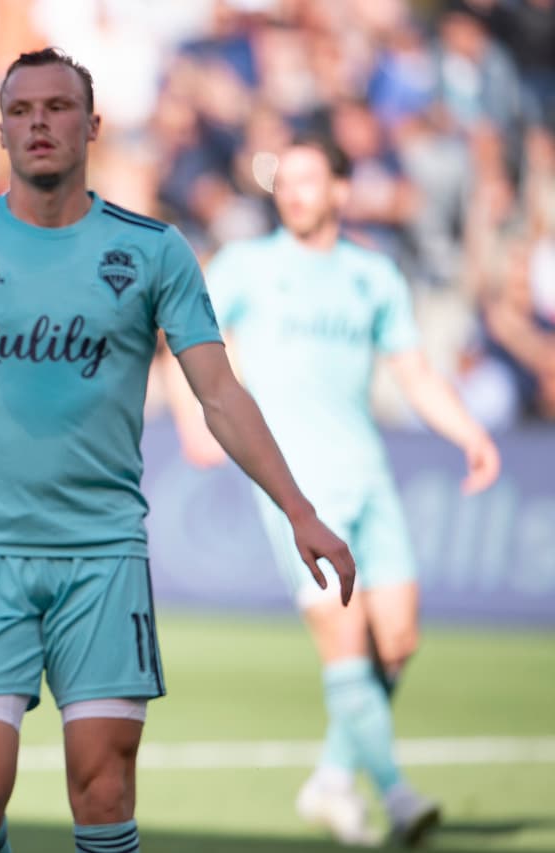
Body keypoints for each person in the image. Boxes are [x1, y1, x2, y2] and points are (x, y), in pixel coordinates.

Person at [0, 48, 355, 853]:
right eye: (22, 111)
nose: (40, 124)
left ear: (91, 125)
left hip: (104, 558)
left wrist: (298, 510)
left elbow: (220, 394)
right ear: (0, 129)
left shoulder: (154, 251)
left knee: (103, 795)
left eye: (58, 108)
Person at [167, 134, 501, 847]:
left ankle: (330, 777)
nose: (292, 192)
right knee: (344, 638)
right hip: (294, 483)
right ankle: (399, 795)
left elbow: (414, 374)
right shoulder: (249, 266)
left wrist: (469, 433)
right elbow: (186, 334)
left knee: (399, 642)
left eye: (308, 180)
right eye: (283, 181)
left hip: (368, 473)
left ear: (341, 191)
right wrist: (191, 414)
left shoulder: (372, 276)